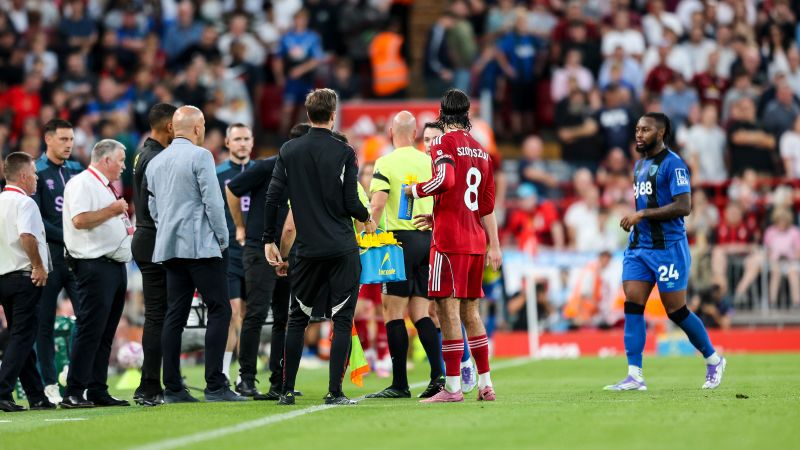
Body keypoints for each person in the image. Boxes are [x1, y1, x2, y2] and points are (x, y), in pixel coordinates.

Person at [263, 89, 376, 406]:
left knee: (297, 319)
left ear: (307, 113)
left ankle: (286, 391)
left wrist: (269, 241)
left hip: (306, 249)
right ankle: (335, 392)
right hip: (341, 247)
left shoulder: (289, 150)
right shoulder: (345, 152)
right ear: (333, 114)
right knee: (342, 320)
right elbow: (351, 202)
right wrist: (366, 218)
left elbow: (273, 198)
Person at [606, 112, 726, 391]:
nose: (638, 134)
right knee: (633, 305)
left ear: (660, 133)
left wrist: (643, 214)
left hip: (668, 249)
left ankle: (713, 359)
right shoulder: (639, 166)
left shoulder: (675, 165)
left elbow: (684, 206)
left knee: (676, 310)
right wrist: (638, 221)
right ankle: (635, 375)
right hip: (639, 248)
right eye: (637, 129)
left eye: (645, 129)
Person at [403, 89, 502, 403]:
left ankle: (453, 387)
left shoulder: (443, 143)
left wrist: (414, 191)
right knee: (471, 311)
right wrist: (493, 245)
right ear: (467, 114)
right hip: (475, 241)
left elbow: (444, 180)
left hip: (449, 242)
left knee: (447, 311)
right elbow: (486, 205)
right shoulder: (482, 151)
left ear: (442, 114)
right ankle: (486, 384)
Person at [145, 106, 245, 403]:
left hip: (169, 248)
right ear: (198, 128)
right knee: (220, 309)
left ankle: (173, 388)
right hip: (201, 247)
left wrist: (167, 230)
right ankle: (215, 384)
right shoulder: (201, 156)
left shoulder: (156, 161)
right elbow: (213, 203)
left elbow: (152, 209)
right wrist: (223, 239)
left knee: (175, 314)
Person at [364, 111, 444, 400]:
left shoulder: (385, 162)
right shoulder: (429, 161)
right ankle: (438, 376)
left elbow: (378, 204)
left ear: (390, 132)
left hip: (397, 242)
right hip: (427, 239)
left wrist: (367, 232)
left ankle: (400, 384)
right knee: (421, 312)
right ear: (414, 135)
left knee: (393, 312)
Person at [226, 123, 309, 400]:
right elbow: (232, 190)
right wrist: (240, 226)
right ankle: (246, 379)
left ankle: (279, 379)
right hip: (260, 250)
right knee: (257, 314)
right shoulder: (266, 167)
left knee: (284, 318)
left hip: (291, 251)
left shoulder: (302, 172)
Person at [61, 140, 132, 409]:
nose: (124, 165)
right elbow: (79, 220)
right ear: (105, 160)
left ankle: (97, 389)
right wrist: (112, 211)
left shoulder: (103, 185)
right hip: (94, 265)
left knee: (105, 332)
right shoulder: (82, 183)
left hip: (113, 265)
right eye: (121, 159)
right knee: (90, 329)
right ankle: (73, 391)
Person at [32, 119, 84, 405]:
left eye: (71, 139)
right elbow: (37, 219)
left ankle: (77, 379)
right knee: (44, 323)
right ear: (48, 139)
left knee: (87, 319)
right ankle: (50, 383)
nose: (69, 145)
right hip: (49, 258)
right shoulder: (37, 172)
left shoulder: (78, 170)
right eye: (63, 139)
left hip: (77, 258)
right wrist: (69, 235)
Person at [0, 152, 54, 412]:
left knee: (22, 335)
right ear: (23, 176)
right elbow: (27, 236)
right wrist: (38, 266)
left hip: (4, 278)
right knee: (22, 336)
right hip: (25, 276)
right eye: (33, 174)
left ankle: (36, 396)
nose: (36, 179)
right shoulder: (25, 203)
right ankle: (2, 390)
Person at [131, 103, 176, 407]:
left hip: (146, 239)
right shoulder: (157, 158)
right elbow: (157, 207)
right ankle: (150, 385)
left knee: (158, 315)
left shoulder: (143, 153)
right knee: (159, 315)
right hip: (155, 240)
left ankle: (154, 382)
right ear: (170, 127)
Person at [215, 123, 255, 382]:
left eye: (246, 138)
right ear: (228, 143)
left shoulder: (261, 171)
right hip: (227, 253)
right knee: (232, 313)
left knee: (251, 316)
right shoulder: (216, 174)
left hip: (255, 253)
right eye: (237, 139)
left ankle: (246, 374)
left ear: (252, 142)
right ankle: (226, 373)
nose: (242, 143)